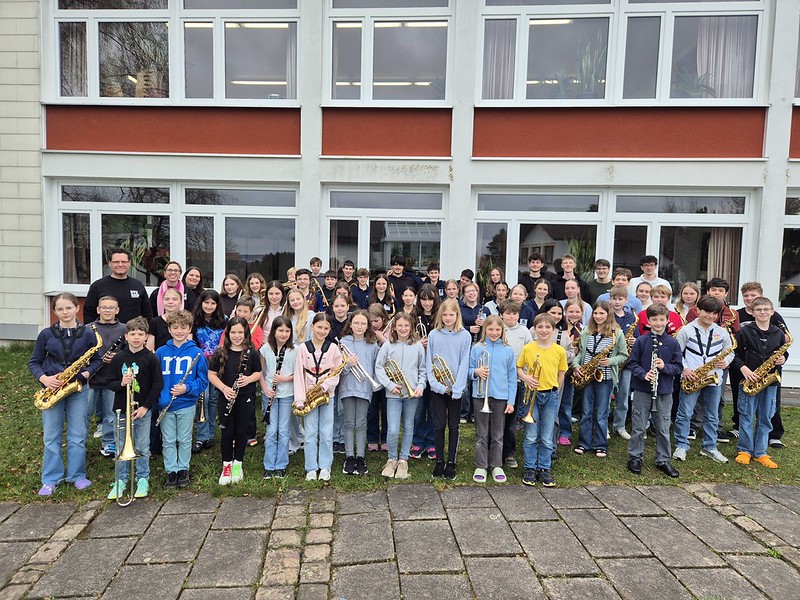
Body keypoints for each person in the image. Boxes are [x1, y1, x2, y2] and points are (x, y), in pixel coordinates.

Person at [29, 293, 103, 496]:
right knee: (51, 436)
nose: (65, 312)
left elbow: (96, 360)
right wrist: (45, 379)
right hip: (52, 388)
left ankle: (77, 475)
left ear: (76, 308)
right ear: (55, 312)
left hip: (77, 388)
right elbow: (34, 362)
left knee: (77, 435)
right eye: (60, 309)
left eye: (68, 308)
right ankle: (51, 479)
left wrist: (84, 375)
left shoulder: (88, 334)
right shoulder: (46, 334)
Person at [106, 317, 164, 499]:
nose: (136, 338)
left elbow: (157, 385)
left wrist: (146, 407)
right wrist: (122, 383)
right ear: (126, 336)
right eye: (133, 334)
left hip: (142, 410)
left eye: (140, 334)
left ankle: (142, 478)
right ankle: (120, 479)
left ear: (146, 337)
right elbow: (110, 383)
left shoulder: (151, 358)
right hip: (121, 409)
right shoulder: (119, 358)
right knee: (120, 445)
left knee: (142, 445)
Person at [673, 295, 733, 464]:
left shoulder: (722, 332)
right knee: (685, 412)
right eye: (707, 312)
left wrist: (726, 361)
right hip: (691, 377)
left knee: (713, 414)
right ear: (698, 310)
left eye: (715, 313)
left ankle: (710, 447)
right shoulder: (686, 330)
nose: (711, 316)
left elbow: (731, 351)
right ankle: (681, 445)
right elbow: (677, 354)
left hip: (714, 378)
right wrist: (685, 369)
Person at [626, 304, 683, 477]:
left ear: (667, 321)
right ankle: (635, 457)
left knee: (663, 427)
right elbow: (632, 363)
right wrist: (643, 374)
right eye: (654, 320)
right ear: (649, 321)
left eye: (661, 319)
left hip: (664, 391)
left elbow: (678, 367)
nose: (658, 323)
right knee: (638, 426)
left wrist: (664, 366)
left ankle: (663, 460)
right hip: (643, 389)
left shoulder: (672, 343)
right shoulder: (642, 341)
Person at [732, 297, 789, 469]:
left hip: (770, 381)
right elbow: (734, 355)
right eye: (759, 310)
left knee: (766, 416)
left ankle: (761, 452)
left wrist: (783, 359)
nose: (762, 312)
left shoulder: (779, 334)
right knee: (747, 415)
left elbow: (784, 353)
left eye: (766, 309)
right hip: (749, 379)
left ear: (772, 312)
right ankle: (744, 450)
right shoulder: (745, 331)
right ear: (753, 312)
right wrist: (744, 369)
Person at [155, 310, 208, 488]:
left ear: (189, 329)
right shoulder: (161, 352)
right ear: (169, 329)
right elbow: (155, 380)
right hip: (165, 404)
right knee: (168, 439)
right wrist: (161, 397)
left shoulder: (196, 353)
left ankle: (183, 469)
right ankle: (171, 471)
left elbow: (202, 381)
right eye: (175, 327)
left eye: (183, 327)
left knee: (184, 439)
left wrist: (187, 388)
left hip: (186, 403)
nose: (179, 331)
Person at [207, 317, 262, 485]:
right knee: (227, 432)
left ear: (246, 333)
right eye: (233, 332)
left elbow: (258, 373)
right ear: (227, 333)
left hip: (245, 396)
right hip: (226, 397)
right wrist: (224, 388)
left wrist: (249, 379)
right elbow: (211, 374)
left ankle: (238, 464)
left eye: (240, 332)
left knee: (241, 432)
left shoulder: (251, 353)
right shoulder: (220, 353)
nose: (237, 336)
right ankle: (226, 466)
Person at [517, 313, 568, 487]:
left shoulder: (559, 351)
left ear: (553, 330)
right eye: (540, 327)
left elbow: (561, 374)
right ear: (535, 329)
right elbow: (518, 368)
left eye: (548, 327)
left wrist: (555, 391)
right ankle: (530, 467)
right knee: (531, 435)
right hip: (532, 395)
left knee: (547, 437)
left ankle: (544, 468)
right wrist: (526, 378)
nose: (544, 330)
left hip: (551, 395)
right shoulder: (528, 348)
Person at [572, 301, 627, 457]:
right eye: (595, 313)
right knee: (586, 411)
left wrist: (610, 361)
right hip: (588, 376)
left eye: (601, 313)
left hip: (606, 377)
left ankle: (601, 444)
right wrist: (576, 366)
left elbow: (624, 355)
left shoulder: (617, 333)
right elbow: (580, 354)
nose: (598, 316)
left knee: (602, 412)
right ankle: (584, 442)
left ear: (608, 314)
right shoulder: (586, 331)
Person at [375, 313, 426, 479]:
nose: (403, 329)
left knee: (409, 426)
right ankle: (391, 459)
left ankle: (403, 459)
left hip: (412, 394)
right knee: (393, 429)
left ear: (411, 327)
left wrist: (420, 386)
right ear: (394, 327)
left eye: (406, 326)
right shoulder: (388, 346)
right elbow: (379, 367)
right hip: (393, 394)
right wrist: (389, 385)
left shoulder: (418, 346)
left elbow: (422, 370)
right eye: (400, 326)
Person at [294, 313, 344, 481]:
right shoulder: (302, 348)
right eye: (319, 327)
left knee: (326, 432)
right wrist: (300, 400)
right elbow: (299, 375)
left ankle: (325, 466)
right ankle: (310, 467)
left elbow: (336, 373)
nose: (322, 331)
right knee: (310, 433)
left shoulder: (333, 348)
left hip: (326, 394)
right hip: (308, 396)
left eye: (326, 328)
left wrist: (325, 386)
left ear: (330, 330)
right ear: (312, 327)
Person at [426, 299, 472, 480]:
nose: (447, 318)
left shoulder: (465, 336)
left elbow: (464, 363)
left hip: (456, 389)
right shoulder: (433, 335)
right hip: (438, 388)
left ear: (457, 315)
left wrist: (457, 388)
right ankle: (439, 460)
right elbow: (429, 362)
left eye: (451, 315)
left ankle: (451, 461)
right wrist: (437, 386)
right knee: (438, 425)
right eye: (444, 315)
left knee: (453, 425)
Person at [470, 316, 516, 484]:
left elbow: (512, 377)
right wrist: (477, 372)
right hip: (481, 396)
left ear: (502, 330)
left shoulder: (508, 350)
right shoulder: (477, 348)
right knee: (481, 433)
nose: (494, 333)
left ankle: (496, 464)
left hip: (501, 397)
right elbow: (469, 370)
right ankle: (481, 465)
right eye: (490, 329)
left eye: (498, 329)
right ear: (485, 330)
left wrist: (511, 400)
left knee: (498, 434)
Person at [338, 310, 380, 476]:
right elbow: (339, 370)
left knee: (361, 422)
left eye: (363, 323)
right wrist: (348, 364)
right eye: (356, 323)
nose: (359, 326)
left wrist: (375, 383)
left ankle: (360, 457)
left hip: (364, 388)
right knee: (348, 422)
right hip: (347, 387)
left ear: (367, 326)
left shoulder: (372, 344)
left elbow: (377, 366)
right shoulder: (343, 342)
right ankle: (349, 457)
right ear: (350, 324)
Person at [87, 295, 127, 458]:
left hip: (113, 378)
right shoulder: (88, 328)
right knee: (85, 413)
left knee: (111, 414)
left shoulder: (124, 329)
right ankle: (79, 444)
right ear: (98, 310)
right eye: (104, 307)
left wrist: (117, 357)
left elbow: (130, 351)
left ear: (117, 310)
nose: (107, 310)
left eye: (111, 308)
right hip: (90, 378)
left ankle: (109, 443)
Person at [191, 289, 227, 453]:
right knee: (202, 399)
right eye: (206, 302)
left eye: (213, 303)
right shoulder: (193, 320)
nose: (209, 306)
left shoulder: (224, 321)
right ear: (201, 303)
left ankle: (211, 434)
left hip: (218, 365)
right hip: (200, 365)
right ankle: (201, 436)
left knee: (213, 399)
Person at [261, 316, 296, 480]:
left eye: (287, 331)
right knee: (271, 430)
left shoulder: (295, 350)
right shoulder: (265, 349)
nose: (284, 334)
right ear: (273, 331)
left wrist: (285, 379)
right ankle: (269, 465)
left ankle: (281, 464)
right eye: (280, 330)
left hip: (287, 395)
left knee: (283, 431)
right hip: (270, 395)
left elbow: (300, 375)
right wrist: (265, 389)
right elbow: (260, 373)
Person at [499, 299, 533, 468]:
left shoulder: (524, 331)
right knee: (497, 418)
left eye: (514, 314)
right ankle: (496, 451)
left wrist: (523, 374)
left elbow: (529, 354)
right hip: (498, 381)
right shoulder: (497, 330)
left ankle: (509, 453)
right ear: (501, 315)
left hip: (517, 380)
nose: (511, 317)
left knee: (511, 419)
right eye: (508, 314)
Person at [410, 284, 440, 460]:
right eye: (424, 299)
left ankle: (431, 442)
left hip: (436, 369)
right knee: (419, 409)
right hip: (418, 369)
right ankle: (418, 441)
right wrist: (417, 344)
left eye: (430, 299)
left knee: (433, 408)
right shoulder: (414, 317)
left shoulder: (440, 317)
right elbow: (405, 339)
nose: (427, 303)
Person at [84, 248, 153, 323]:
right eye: (116, 262)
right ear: (110, 263)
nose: (120, 265)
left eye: (124, 262)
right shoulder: (98, 286)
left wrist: (148, 332)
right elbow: (89, 314)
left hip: (133, 332)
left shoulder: (137, 285)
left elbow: (147, 314)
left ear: (129, 263)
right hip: (106, 333)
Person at [366, 303, 390, 452]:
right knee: (372, 409)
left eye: (377, 321)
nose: (374, 324)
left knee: (387, 409)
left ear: (383, 319)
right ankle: (373, 438)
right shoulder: (367, 334)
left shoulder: (390, 332)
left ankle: (386, 438)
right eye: (371, 321)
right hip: (372, 377)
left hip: (387, 378)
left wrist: (382, 339)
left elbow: (394, 351)